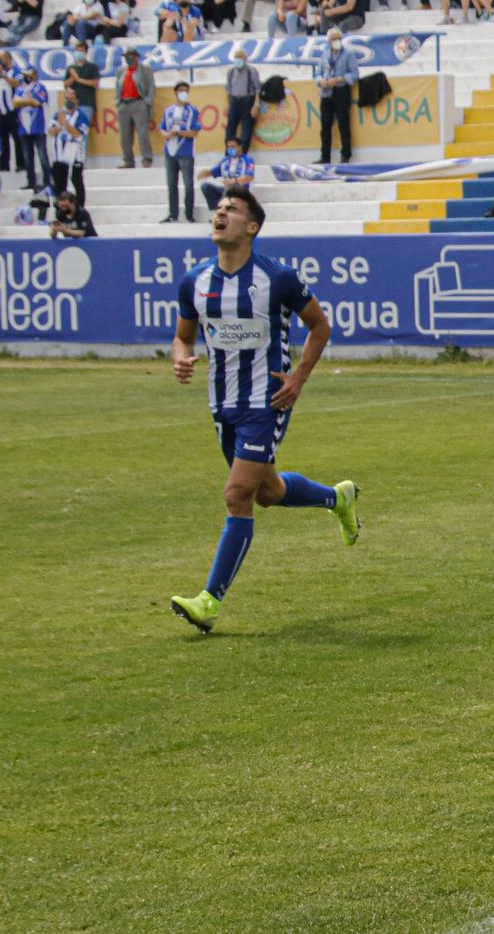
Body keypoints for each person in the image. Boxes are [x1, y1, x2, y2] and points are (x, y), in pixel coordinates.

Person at [168, 187, 362, 633]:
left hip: (267, 401)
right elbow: (183, 334)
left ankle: (209, 602)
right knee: (266, 491)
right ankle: (338, 498)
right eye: (219, 209)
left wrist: (298, 380)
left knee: (237, 494)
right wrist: (180, 355)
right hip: (223, 403)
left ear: (251, 227)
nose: (221, 213)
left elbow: (320, 326)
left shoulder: (278, 278)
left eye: (232, 209)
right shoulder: (194, 281)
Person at [160, 81, 202, 223]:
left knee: (188, 184)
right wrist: (167, 134)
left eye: (186, 90)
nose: (183, 93)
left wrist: (180, 133)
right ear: (176, 92)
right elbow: (162, 128)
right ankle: (173, 214)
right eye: (181, 90)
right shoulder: (168, 111)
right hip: (169, 151)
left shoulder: (193, 110)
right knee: (171, 184)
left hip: (185, 151)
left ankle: (189, 213)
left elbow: (195, 132)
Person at [313, 30, 358, 164]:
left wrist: (339, 79)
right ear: (328, 41)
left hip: (341, 91)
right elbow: (317, 73)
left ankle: (346, 155)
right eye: (334, 39)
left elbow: (354, 74)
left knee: (343, 124)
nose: (337, 41)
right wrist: (321, 81)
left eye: (338, 38)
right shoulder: (325, 54)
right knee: (325, 126)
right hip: (326, 93)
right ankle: (325, 156)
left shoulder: (348, 54)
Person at [11, 67, 53, 193]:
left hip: (38, 127)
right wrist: (29, 101)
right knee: (28, 157)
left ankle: (47, 181)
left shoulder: (40, 87)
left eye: (27, 75)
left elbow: (38, 102)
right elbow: (15, 103)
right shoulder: (20, 89)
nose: (25, 77)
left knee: (42, 156)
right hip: (23, 128)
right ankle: (31, 182)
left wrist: (24, 102)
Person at [114, 47, 157, 169]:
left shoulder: (145, 70)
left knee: (143, 134)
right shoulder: (121, 71)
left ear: (137, 56)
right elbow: (118, 88)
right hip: (124, 104)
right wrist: (118, 102)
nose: (129, 58)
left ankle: (146, 159)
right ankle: (128, 160)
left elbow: (151, 88)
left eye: (132, 55)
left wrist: (147, 103)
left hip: (139, 103)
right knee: (125, 136)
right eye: (127, 56)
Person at [51, 90, 90, 209]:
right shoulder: (58, 114)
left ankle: (80, 208)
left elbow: (79, 135)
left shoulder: (82, 115)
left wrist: (66, 124)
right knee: (59, 182)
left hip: (76, 153)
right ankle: (60, 209)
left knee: (76, 180)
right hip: (59, 154)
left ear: (77, 100)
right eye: (67, 98)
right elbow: (51, 131)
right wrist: (59, 125)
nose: (69, 100)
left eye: (71, 98)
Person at [203, 136, 257, 211]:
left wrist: (234, 181)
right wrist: (205, 173)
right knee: (205, 186)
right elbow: (214, 172)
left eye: (233, 147)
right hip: (226, 190)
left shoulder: (248, 160)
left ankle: (222, 210)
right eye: (228, 147)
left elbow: (249, 177)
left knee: (232, 187)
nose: (230, 149)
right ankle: (215, 211)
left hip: (242, 191)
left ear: (240, 147)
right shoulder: (225, 160)